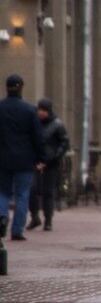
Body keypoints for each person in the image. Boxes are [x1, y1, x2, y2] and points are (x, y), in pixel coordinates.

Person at [0, 74, 46, 241]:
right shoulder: (29, 110)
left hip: (3, 158)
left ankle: (2, 216)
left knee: (3, 192)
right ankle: (17, 230)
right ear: (21, 88)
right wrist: (41, 157)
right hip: (25, 160)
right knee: (22, 194)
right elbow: (37, 136)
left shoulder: (1, 107)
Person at [29, 98, 70, 232]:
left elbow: (64, 143)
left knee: (48, 192)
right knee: (32, 190)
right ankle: (35, 216)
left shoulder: (57, 125)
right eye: (39, 110)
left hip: (51, 163)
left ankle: (48, 220)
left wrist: (53, 158)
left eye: (44, 110)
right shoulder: (35, 124)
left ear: (49, 111)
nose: (41, 113)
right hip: (35, 162)